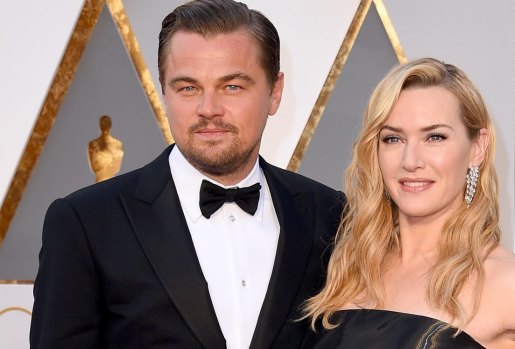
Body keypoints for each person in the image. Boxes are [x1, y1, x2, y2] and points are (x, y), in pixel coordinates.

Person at [30, 1, 343, 348]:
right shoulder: (86, 223)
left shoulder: (331, 216)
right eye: (188, 88)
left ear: (275, 92)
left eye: (232, 87)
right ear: (164, 90)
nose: (208, 109)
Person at [301, 58, 515, 348]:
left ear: (477, 148)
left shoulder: (507, 283)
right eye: (393, 138)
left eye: (434, 137)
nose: (411, 161)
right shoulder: (348, 268)